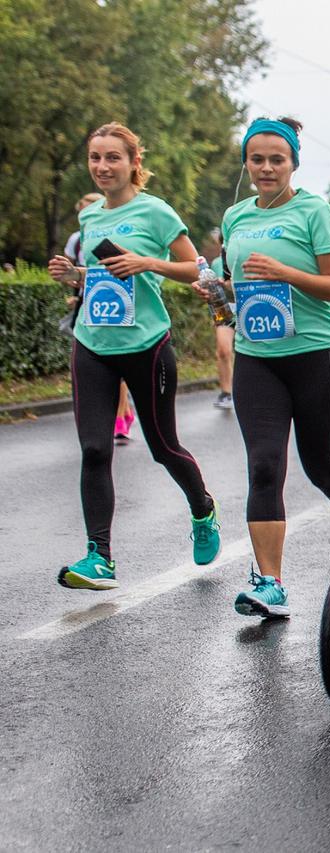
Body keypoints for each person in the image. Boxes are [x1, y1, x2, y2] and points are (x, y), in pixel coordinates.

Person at [47, 122, 220, 589]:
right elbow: (107, 277)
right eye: (95, 158)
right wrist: (77, 276)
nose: (102, 167)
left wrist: (149, 263)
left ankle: (203, 509)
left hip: (147, 345)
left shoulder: (156, 212)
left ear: (133, 163)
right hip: (94, 342)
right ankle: (98, 556)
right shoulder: (90, 218)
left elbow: (197, 272)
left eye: (112, 158)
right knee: (94, 448)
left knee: (164, 448)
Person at [212, 115, 330, 618]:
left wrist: (285, 272)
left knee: (320, 468)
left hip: (317, 353)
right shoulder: (235, 217)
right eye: (258, 159)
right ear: (246, 162)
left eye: (278, 159)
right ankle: (270, 582)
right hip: (258, 356)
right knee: (264, 465)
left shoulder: (315, 211)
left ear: (294, 162)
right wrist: (217, 287)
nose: (267, 168)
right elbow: (238, 282)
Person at [64, 192, 137, 438]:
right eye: (81, 211)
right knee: (99, 361)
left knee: (119, 362)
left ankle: (122, 411)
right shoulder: (77, 238)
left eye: (88, 208)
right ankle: (118, 413)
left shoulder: (119, 227)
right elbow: (79, 270)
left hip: (121, 299)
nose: (84, 215)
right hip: (89, 302)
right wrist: (74, 287)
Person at [202, 229, 236, 410]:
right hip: (224, 309)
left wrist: (229, 283)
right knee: (223, 350)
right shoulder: (215, 263)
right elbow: (212, 289)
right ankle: (226, 392)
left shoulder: (246, 257)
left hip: (248, 307)